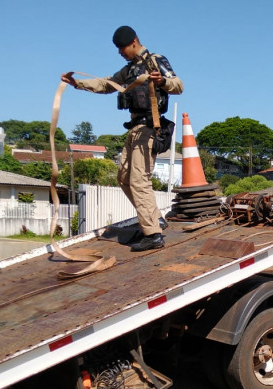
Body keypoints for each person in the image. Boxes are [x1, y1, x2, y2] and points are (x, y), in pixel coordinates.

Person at [62, 25, 183, 251]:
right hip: (135, 129)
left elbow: (178, 85)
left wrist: (162, 82)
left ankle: (153, 234)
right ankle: (155, 219)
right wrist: (77, 83)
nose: (119, 52)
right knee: (124, 178)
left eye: (122, 48)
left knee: (139, 180)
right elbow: (106, 84)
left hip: (150, 128)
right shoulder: (129, 70)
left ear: (134, 42)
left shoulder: (155, 61)